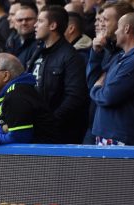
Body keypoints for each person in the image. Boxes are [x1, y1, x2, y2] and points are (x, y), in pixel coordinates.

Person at [28, 5, 89, 144]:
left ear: (53, 25)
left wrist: (50, 121)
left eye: (40, 21)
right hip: (37, 129)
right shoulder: (37, 53)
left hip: (59, 134)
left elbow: (75, 97)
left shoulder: (71, 57)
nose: (35, 25)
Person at [91, 12, 134, 145]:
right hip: (106, 134)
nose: (116, 32)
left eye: (118, 27)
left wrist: (96, 89)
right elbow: (93, 80)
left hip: (121, 137)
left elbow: (108, 96)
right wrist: (96, 54)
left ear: (126, 28)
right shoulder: (120, 57)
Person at [0, 53, 58, 144]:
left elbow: (18, 139)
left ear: (6, 75)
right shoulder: (14, 92)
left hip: (44, 156)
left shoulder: (17, 95)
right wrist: (3, 129)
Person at [5, 2, 38, 68]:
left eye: (28, 19)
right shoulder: (11, 42)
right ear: (14, 23)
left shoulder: (41, 43)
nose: (24, 23)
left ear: (37, 20)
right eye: (20, 20)